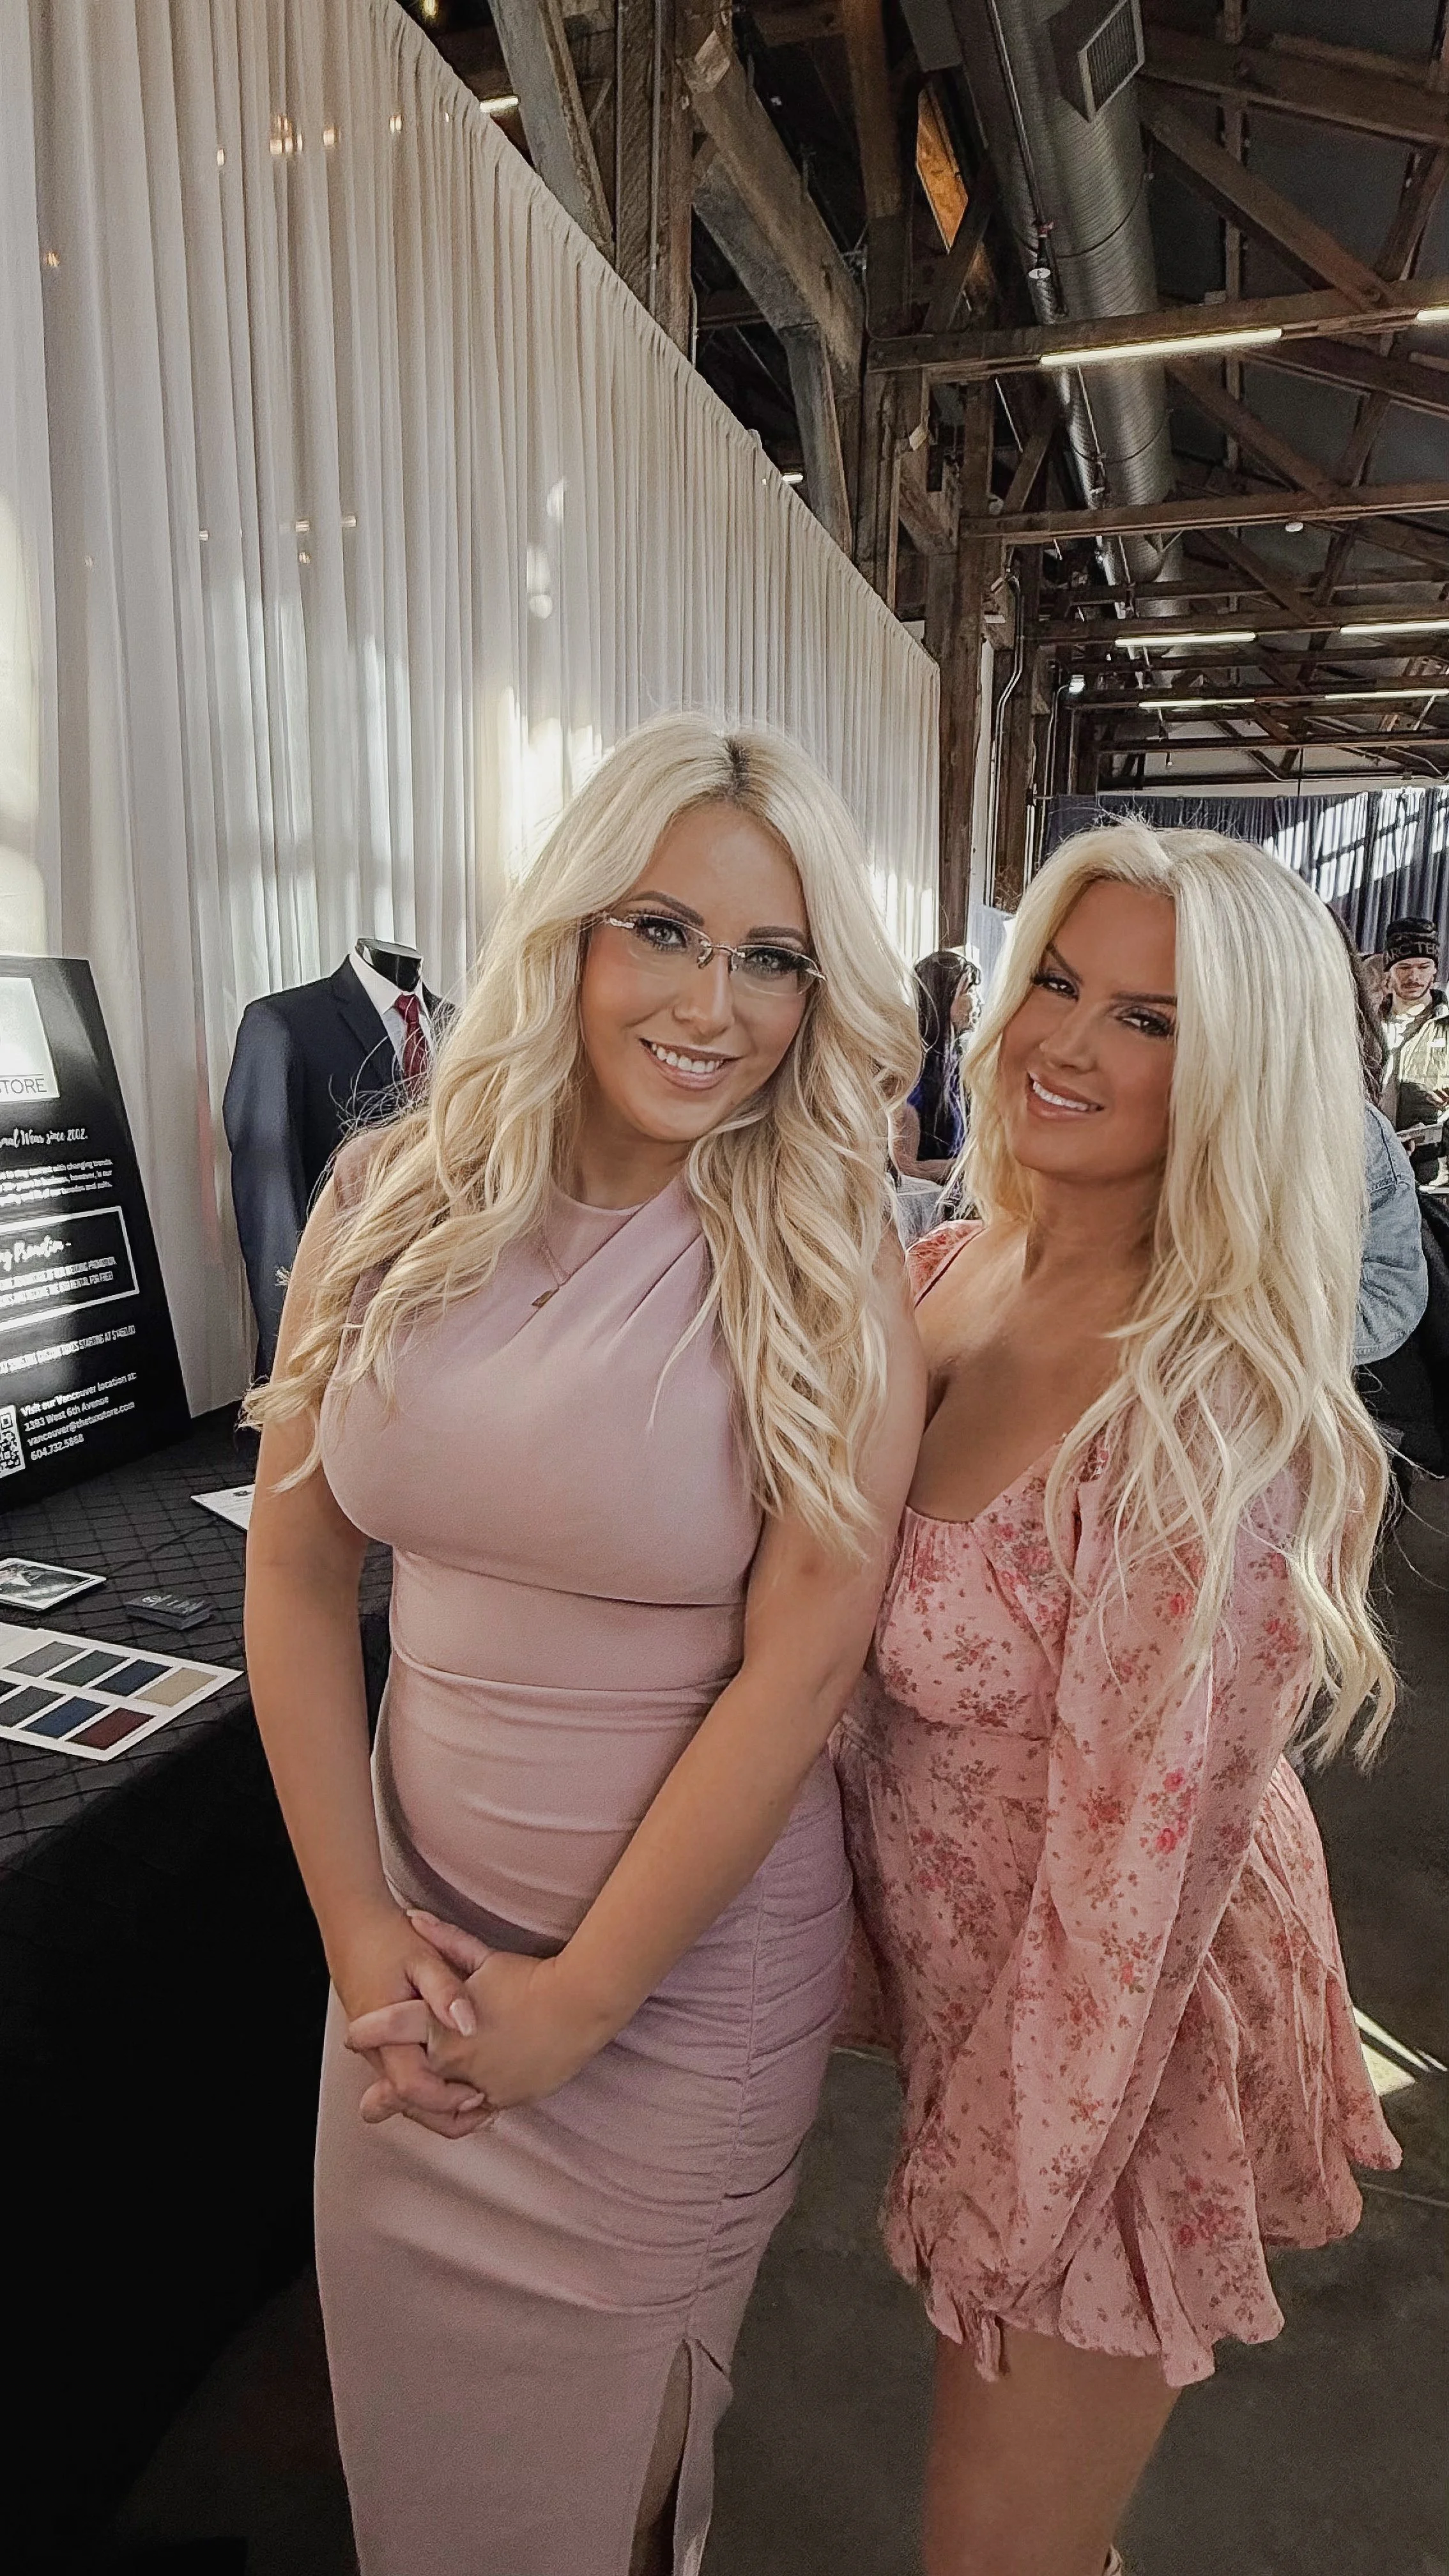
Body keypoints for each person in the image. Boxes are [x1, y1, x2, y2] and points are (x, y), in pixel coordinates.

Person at [241, 714, 925, 2576]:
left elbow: (803, 1670)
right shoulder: (388, 1202)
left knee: (588, 2515)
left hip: (675, 2007)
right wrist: (359, 1930)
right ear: (571, 931)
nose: (716, 1005)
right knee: (421, 2493)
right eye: (667, 931)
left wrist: (585, 2004)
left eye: (772, 957)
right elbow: (294, 1578)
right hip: (406, 1964)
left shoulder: (822, 1252)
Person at [835, 821, 1400, 2576]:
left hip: (1108, 2050)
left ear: (1240, 1074)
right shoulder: (953, 1269)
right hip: (986, 1999)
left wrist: (1013, 2187)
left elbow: (1132, 1889)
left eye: (1148, 1020)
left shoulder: (1197, 1409)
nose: (1064, 1044)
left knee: (996, 2553)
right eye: (1059, 985)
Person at [893, 949, 980, 1184]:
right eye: (970, 990)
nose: (977, 1000)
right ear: (944, 997)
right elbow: (905, 1169)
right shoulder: (913, 1072)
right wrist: (970, 1167)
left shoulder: (957, 1065)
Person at [1379, 914, 1449, 1186]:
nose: (1414, 977)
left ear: (1435, 971)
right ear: (1389, 972)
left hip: (1431, 1180)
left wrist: (1432, 1138)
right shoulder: (1365, 1026)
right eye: (1404, 967)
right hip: (1372, 1171)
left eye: (1424, 966)